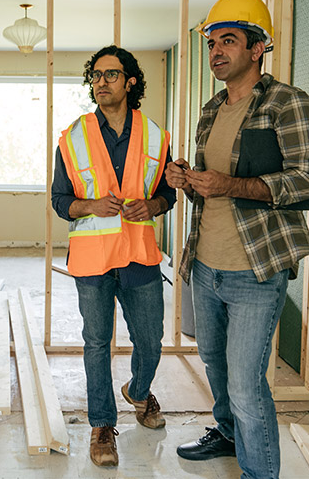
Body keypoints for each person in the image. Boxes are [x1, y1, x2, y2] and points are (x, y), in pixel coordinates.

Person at [166, 0, 309, 479]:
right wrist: (189, 182)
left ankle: (260, 473)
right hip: (206, 266)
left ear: (258, 49)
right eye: (212, 42)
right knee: (216, 369)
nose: (216, 51)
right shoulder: (212, 109)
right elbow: (212, 193)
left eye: (228, 41)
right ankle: (228, 434)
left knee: (246, 385)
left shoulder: (288, 104)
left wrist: (231, 184)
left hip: (255, 272)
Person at [50, 45, 176, 467]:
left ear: (131, 81)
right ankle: (102, 426)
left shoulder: (156, 136)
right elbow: (59, 200)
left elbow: (167, 194)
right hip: (93, 259)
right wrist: (89, 206)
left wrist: (152, 206)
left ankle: (138, 392)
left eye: (111, 75)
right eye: (96, 76)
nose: (101, 82)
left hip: (139, 256)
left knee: (151, 341)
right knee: (96, 343)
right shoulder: (73, 137)